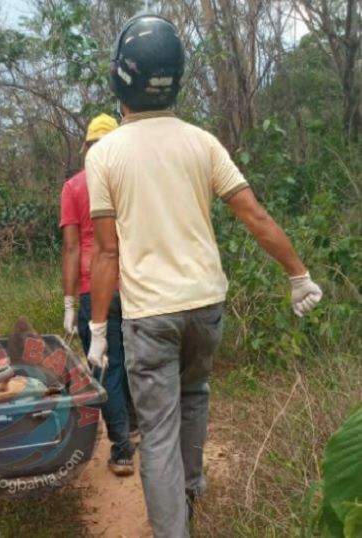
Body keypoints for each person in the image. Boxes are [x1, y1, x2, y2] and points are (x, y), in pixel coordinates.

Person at [85, 15, 323, 538]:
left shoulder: (103, 156)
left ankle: (174, 528)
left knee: (160, 432)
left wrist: (98, 329)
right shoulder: (203, 142)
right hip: (205, 307)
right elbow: (255, 216)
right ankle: (191, 498)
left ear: (120, 79)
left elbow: (106, 253)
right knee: (194, 396)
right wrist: (298, 275)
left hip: (150, 317)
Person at [60, 113, 138, 477]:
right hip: (137, 284)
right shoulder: (131, 179)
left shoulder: (75, 187)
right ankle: (136, 428)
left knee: (106, 364)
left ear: (87, 147)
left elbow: (72, 249)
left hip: (96, 287)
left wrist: (70, 303)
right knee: (134, 362)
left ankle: (122, 446)